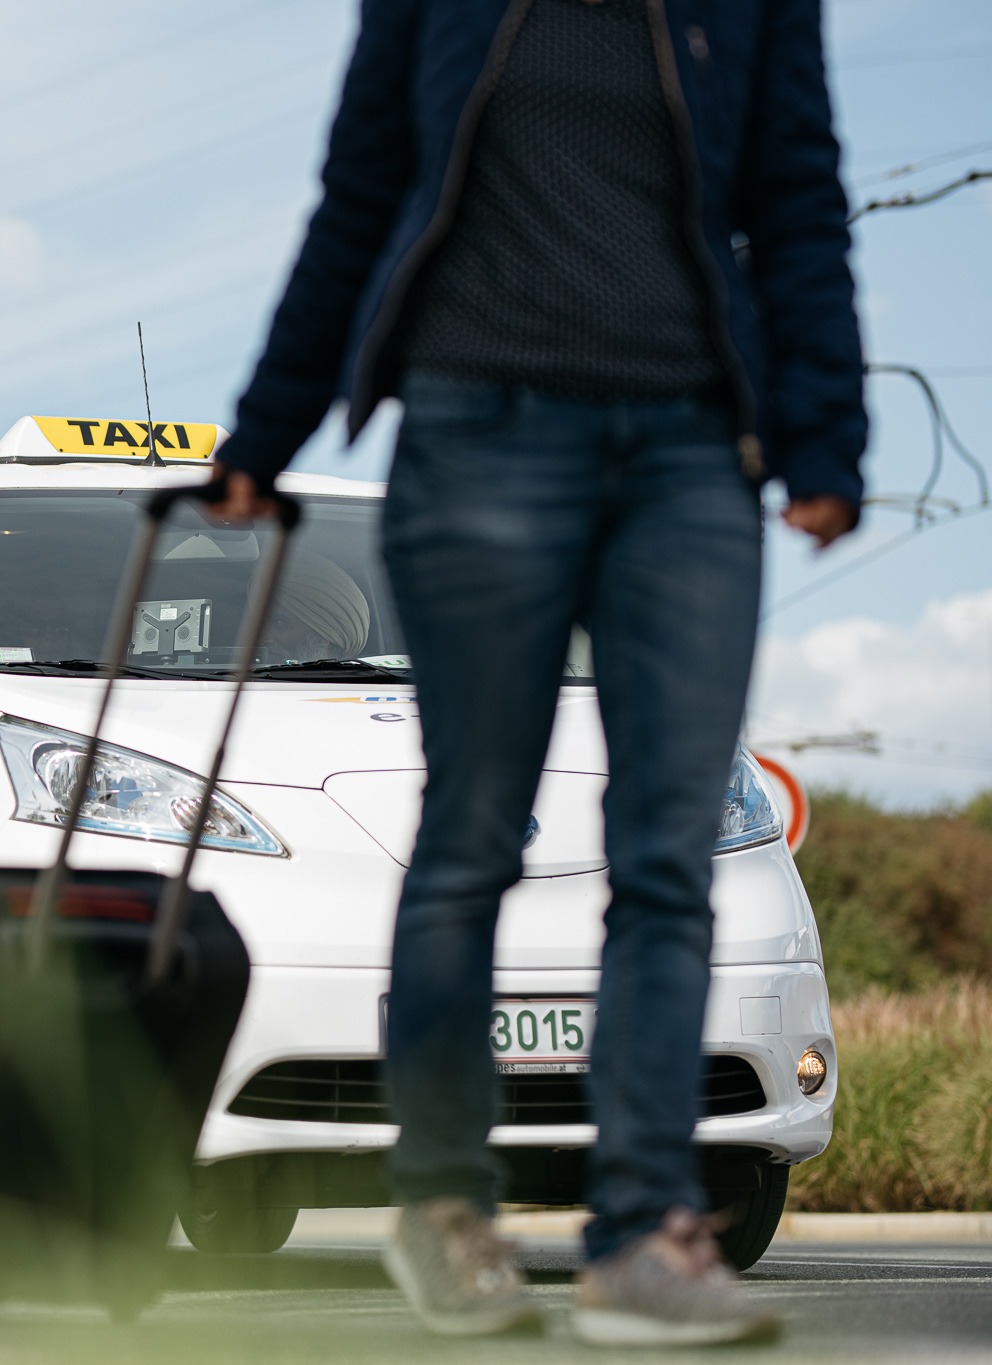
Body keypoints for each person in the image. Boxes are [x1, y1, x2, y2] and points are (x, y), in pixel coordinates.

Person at [213, 0, 863, 1346]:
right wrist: (265, 432)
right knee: (473, 836)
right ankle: (445, 1204)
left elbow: (800, 194)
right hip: (478, 430)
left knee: (667, 851)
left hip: (691, 449)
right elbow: (363, 188)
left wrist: (829, 436)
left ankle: (641, 1237)